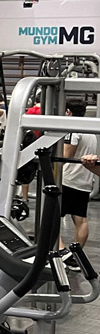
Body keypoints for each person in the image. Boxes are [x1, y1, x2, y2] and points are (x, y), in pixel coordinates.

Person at [60, 99, 97, 249]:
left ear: (68, 112)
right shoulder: (89, 130)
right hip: (84, 181)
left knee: (52, 217)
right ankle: (75, 254)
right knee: (81, 219)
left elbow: (65, 156)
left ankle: (60, 251)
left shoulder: (73, 129)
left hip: (68, 180)